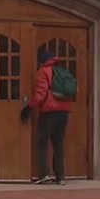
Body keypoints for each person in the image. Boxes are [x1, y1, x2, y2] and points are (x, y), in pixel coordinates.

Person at [27, 51, 72, 185]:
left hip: (49, 111)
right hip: (64, 110)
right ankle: (60, 177)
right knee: (58, 144)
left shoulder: (43, 72)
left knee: (42, 142)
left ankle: (44, 174)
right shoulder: (62, 70)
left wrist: (29, 106)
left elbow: (40, 95)